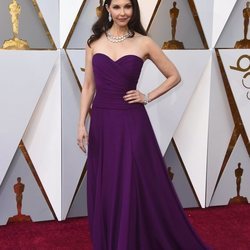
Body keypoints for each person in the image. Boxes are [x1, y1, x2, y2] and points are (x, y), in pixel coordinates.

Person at [77, 0, 210, 249]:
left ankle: (130, 240)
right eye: (116, 7)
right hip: (103, 123)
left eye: (127, 6)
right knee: (107, 185)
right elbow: (88, 86)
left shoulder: (144, 42)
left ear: (133, 9)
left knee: (130, 181)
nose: (122, 12)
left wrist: (147, 96)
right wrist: (81, 123)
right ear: (107, 8)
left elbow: (174, 75)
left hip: (132, 121)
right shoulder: (93, 43)